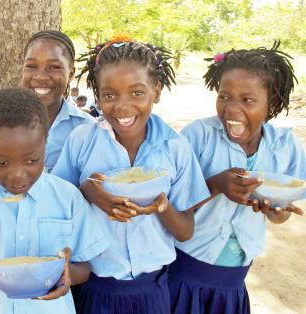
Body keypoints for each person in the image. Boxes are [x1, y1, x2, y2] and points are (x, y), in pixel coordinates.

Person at [51, 37, 210, 314]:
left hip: (152, 290)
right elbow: (58, 205)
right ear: (98, 97)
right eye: (109, 95)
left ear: (156, 92)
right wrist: (89, 191)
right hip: (94, 286)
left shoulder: (175, 147)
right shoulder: (82, 140)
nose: (122, 107)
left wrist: (161, 205)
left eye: (137, 93)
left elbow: (185, 231)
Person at [0, 88, 109, 314]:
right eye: (2, 163)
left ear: (46, 142)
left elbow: (84, 268)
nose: (17, 175)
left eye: (32, 160)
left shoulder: (66, 197)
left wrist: (66, 274)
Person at [168, 42, 306, 314]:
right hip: (185, 268)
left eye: (247, 100)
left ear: (273, 103)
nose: (231, 109)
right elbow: (172, 204)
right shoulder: (199, 135)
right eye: (224, 96)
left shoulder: (284, 145)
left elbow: (281, 215)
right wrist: (215, 184)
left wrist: (275, 211)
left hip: (235, 277)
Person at [20, 30, 95, 172]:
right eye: (31, 66)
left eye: (54, 67)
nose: (41, 77)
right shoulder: (3, 121)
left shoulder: (87, 129)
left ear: (71, 74)